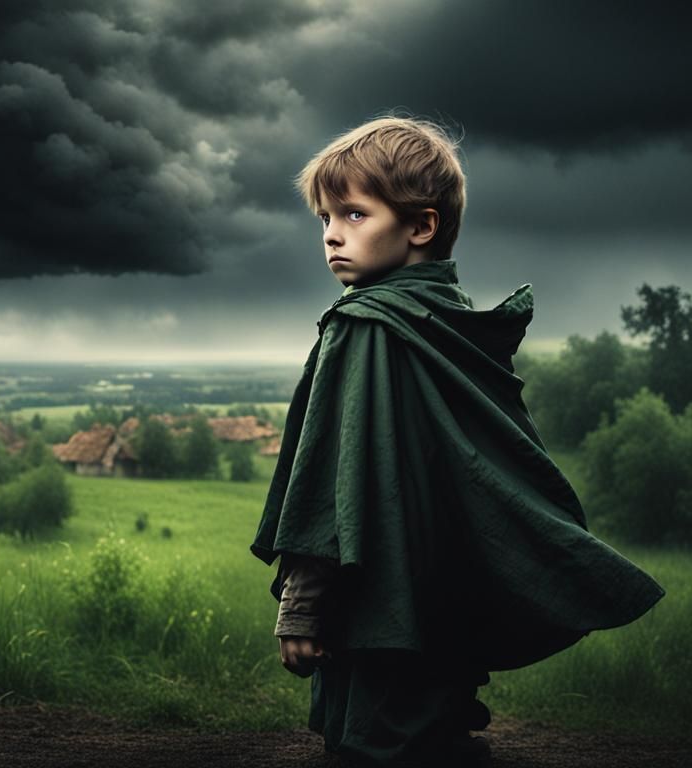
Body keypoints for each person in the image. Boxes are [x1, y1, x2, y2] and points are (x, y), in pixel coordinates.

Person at [250, 115, 665, 768]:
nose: (331, 233)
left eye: (354, 214)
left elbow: (329, 476)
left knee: (373, 749)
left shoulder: (363, 327)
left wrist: (300, 609)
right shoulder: (454, 322)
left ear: (420, 227)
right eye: (324, 217)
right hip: (443, 610)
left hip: (380, 609)